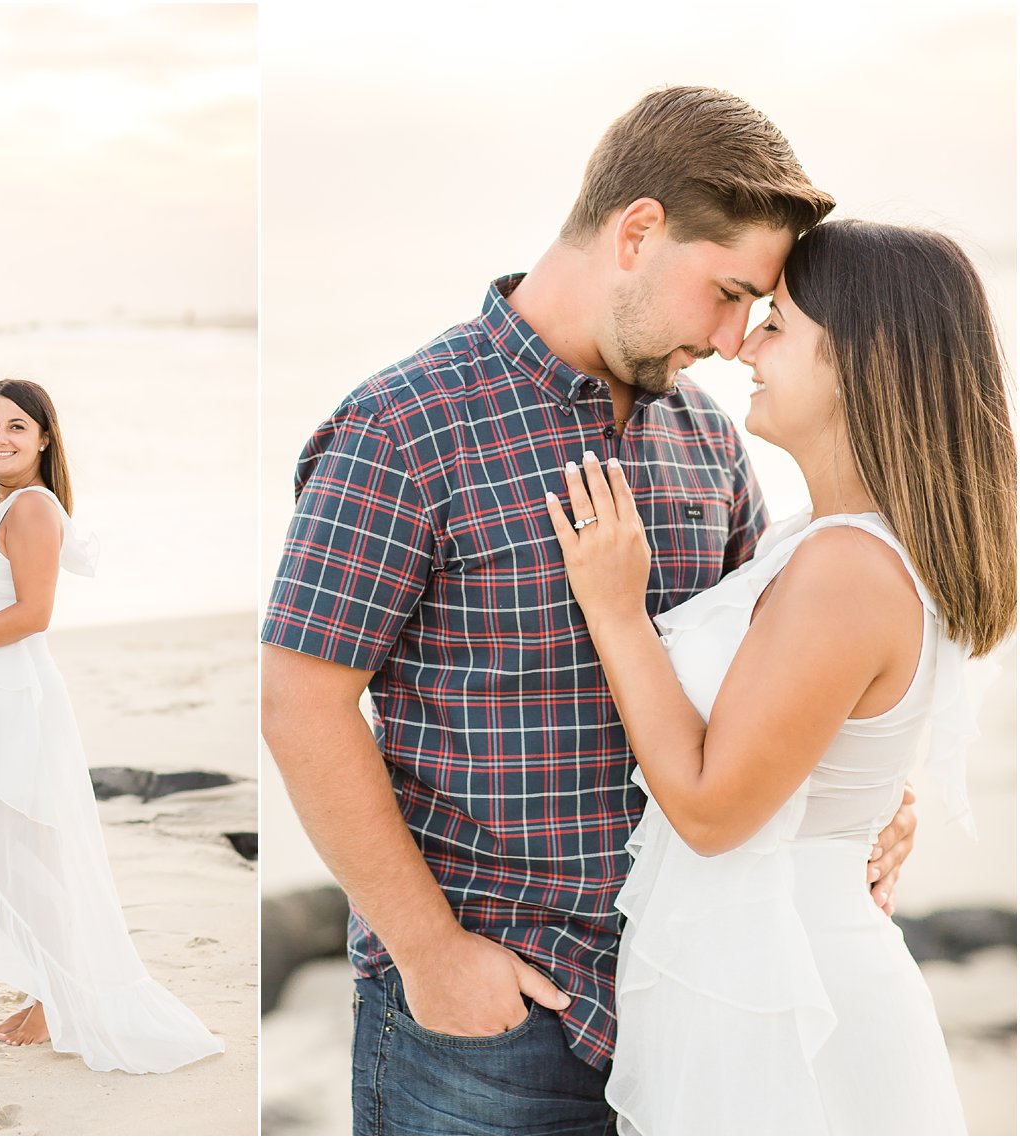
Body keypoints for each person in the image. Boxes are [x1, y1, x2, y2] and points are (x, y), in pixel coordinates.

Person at [261, 86, 915, 1136]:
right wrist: (431, 955)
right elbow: (299, 703)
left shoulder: (703, 437)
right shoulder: (403, 427)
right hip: (491, 1023)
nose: (732, 335)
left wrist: (868, 799)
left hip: (687, 1005)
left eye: (758, 308)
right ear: (638, 231)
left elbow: (775, 676)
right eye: (725, 291)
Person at [546, 219, 1014, 1134]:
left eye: (778, 324)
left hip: (796, 994)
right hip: (765, 967)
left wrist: (616, 612)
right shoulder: (811, 538)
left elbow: (716, 811)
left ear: (859, 362)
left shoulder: (847, 567)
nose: (742, 346)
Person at [0, 378, 224, 1074]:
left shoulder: (35, 509)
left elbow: (32, 614)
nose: (1, 438)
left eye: (17, 426)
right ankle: (47, 986)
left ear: (45, 438)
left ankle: (59, 998)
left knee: (33, 854)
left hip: (17, 698)